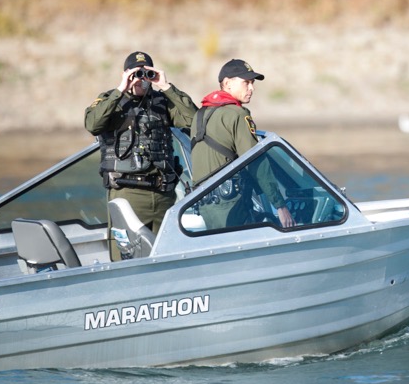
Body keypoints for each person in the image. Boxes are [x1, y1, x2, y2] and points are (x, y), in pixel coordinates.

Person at [85, 51, 198, 253]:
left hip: (164, 193)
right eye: (135, 74)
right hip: (128, 193)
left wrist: (167, 87)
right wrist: (121, 89)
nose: (140, 80)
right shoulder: (110, 100)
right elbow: (93, 124)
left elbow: (194, 121)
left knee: (167, 253)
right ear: (125, 74)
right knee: (128, 255)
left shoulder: (163, 101)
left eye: (146, 74)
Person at [190, 59, 294, 230]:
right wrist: (280, 205)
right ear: (228, 83)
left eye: (252, 83)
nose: (252, 88)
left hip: (205, 205)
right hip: (232, 206)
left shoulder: (200, 115)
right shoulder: (237, 114)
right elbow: (255, 161)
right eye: (246, 82)